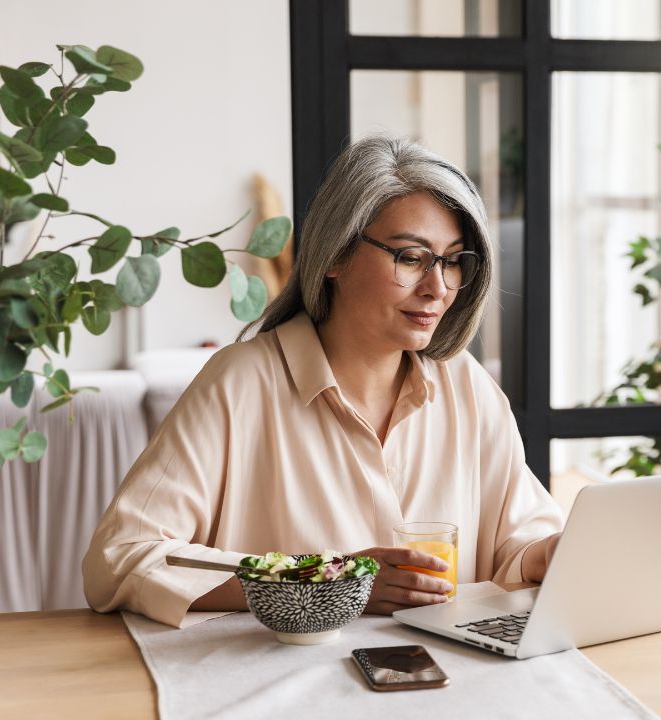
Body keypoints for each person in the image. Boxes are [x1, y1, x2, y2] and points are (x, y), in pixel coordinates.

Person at [82, 135, 564, 628]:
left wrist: (545, 555)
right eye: (411, 257)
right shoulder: (240, 383)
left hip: (446, 685)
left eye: (453, 260)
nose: (437, 287)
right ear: (336, 255)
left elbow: (519, 543)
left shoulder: (467, 386)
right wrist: (325, 584)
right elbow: (121, 558)